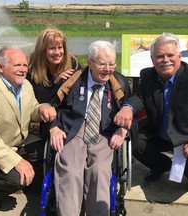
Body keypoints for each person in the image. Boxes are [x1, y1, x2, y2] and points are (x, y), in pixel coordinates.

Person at [114, 33, 188, 198]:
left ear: (179, 56)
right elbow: (140, 97)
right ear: (152, 58)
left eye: (170, 55)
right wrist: (128, 106)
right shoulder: (148, 75)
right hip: (160, 134)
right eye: (159, 56)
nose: (165, 60)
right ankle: (161, 166)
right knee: (133, 141)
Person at [0, 46, 57, 212]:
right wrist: (17, 161)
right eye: (17, 65)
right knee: (16, 180)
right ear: (1, 67)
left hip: (15, 142)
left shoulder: (25, 85)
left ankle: (30, 181)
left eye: (24, 65)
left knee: (49, 152)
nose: (22, 70)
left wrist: (42, 108)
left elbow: (32, 109)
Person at [49, 40, 130, 215]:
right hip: (73, 129)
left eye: (111, 63)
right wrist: (54, 127)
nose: (108, 69)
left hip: (105, 132)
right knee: (70, 170)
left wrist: (123, 130)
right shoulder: (73, 79)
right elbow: (51, 107)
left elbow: (130, 112)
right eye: (102, 63)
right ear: (90, 62)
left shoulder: (119, 84)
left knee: (100, 171)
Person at [27, 26, 82, 141]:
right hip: (45, 115)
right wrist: (57, 83)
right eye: (52, 48)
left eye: (60, 47)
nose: (57, 52)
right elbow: (41, 102)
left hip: (67, 112)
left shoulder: (73, 63)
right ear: (42, 50)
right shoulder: (32, 68)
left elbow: (77, 94)